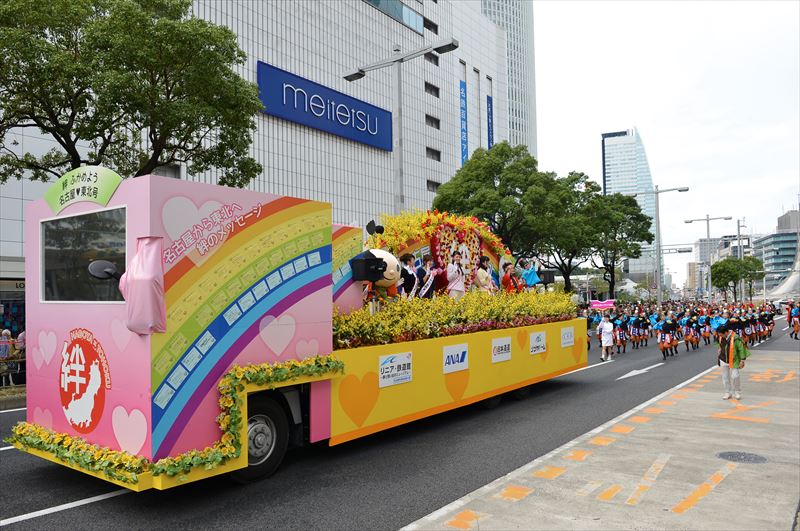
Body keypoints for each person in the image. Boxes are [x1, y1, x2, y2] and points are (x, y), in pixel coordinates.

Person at [716, 323, 749, 400]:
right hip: (723, 359)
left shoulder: (736, 338)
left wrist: (742, 360)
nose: (720, 336)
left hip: (734, 360)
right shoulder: (720, 337)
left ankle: (737, 392)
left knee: (735, 376)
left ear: (726, 332)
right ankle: (727, 392)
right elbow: (719, 344)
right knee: (725, 377)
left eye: (721, 334)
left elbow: (741, 349)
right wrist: (719, 349)